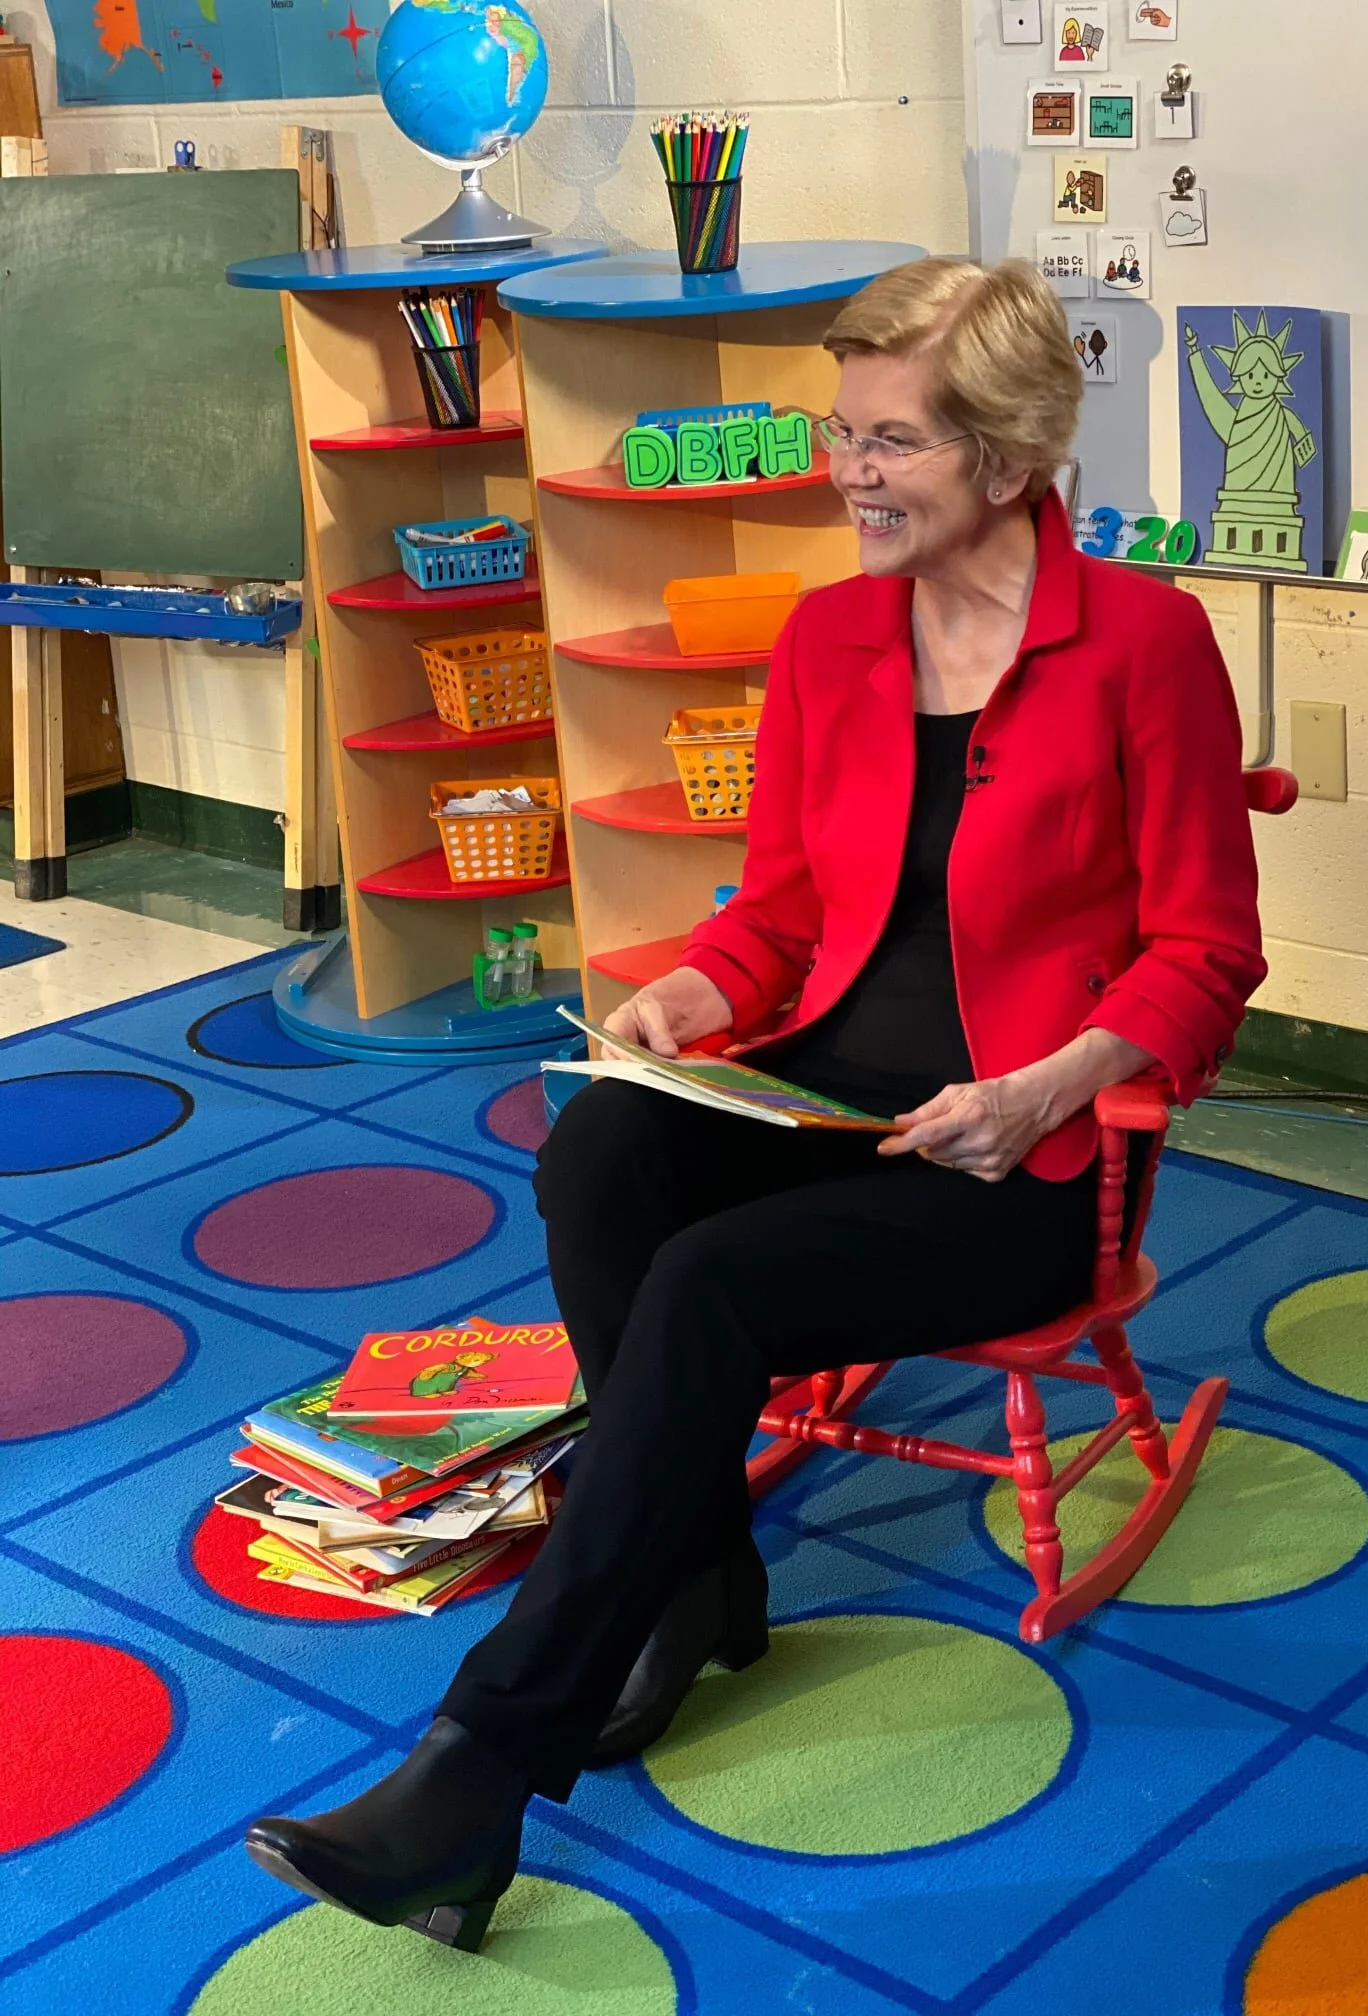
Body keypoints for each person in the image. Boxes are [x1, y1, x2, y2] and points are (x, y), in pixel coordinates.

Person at [244, 256, 1266, 1950]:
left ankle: (480, 1764)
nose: (848, 473)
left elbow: (1207, 948)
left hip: (1025, 1155)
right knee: (600, 1152)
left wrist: (1052, 1083)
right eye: (840, 433)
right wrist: (695, 995)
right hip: (824, 1089)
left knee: (713, 1286)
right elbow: (783, 909)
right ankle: (704, 1561)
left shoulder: (1143, 644)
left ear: (1010, 458)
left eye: (893, 442)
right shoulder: (830, 637)